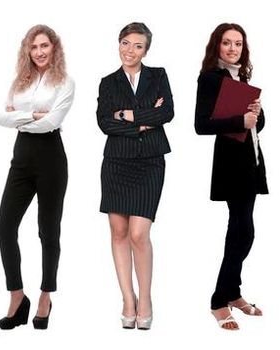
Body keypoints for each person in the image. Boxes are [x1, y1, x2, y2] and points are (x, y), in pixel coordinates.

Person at [0, 24, 73, 331]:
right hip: (21, 159)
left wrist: (23, 117)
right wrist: (35, 116)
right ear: (27, 51)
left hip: (51, 159)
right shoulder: (20, 82)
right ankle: (17, 296)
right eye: (34, 47)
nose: (39, 52)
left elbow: (52, 122)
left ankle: (45, 296)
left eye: (44, 46)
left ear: (54, 48)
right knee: (4, 227)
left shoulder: (65, 82)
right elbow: (1, 117)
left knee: (48, 231)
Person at [96, 22, 173, 331]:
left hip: (150, 162)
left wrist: (127, 114)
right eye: (125, 43)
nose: (130, 50)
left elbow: (167, 113)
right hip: (116, 163)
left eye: (137, 46)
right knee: (118, 231)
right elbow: (104, 122)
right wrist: (143, 119)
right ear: (119, 44)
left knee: (139, 234)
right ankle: (128, 299)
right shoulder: (108, 82)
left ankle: (146, 299)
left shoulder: (158, 76)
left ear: (146, 50)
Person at [192, 23, 267, 331]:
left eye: (238, 44)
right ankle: (218, 300)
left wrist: (257, 114)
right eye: (227, 43)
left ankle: (233, 293)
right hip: (230, 163)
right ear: (217, 46)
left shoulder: (243, 76)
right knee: (242, 230)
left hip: (251, 159)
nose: (233, 48)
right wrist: (241, 118)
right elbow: (201, 124)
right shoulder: (210, 79)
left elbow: (258, 126)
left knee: (241, 230)